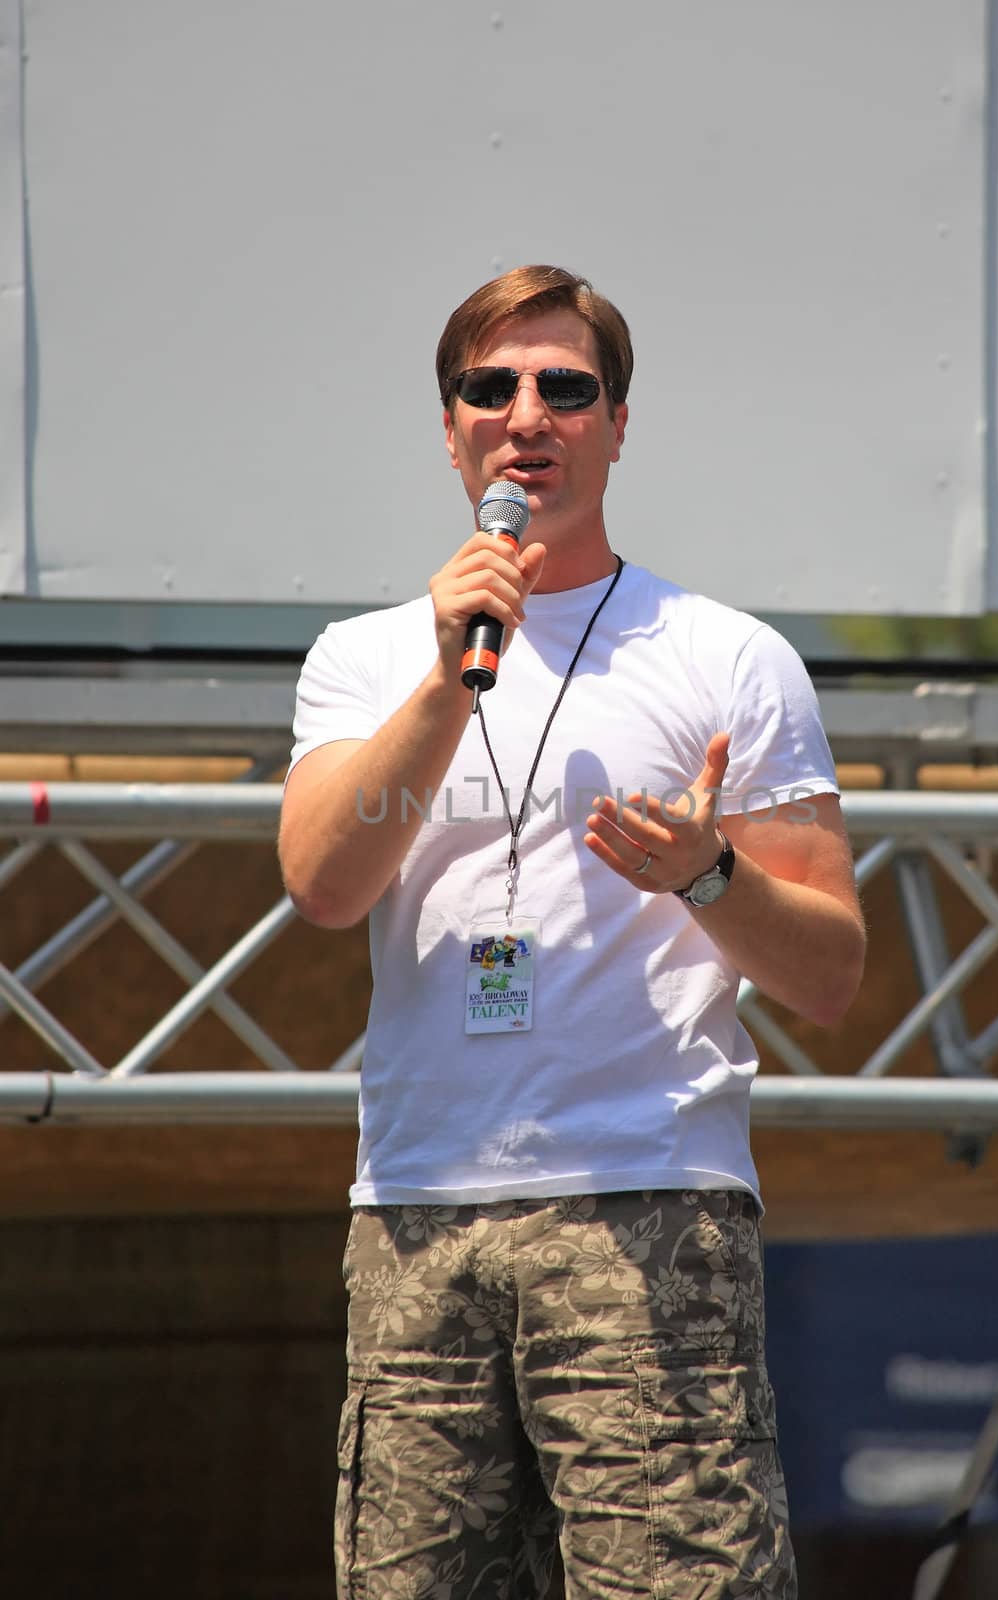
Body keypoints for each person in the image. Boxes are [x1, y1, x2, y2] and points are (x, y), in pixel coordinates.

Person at [279, 265, 866, 1599]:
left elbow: (831, 973)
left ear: (614, 423)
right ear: (450, 429)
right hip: (419, 1211)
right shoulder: (364, 659)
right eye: (489, 388)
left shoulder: (725, 656)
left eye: (565, 387)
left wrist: (708, 873)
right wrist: (446, 677)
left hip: (645, 1196)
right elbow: (323, 884)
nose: (525, 413)